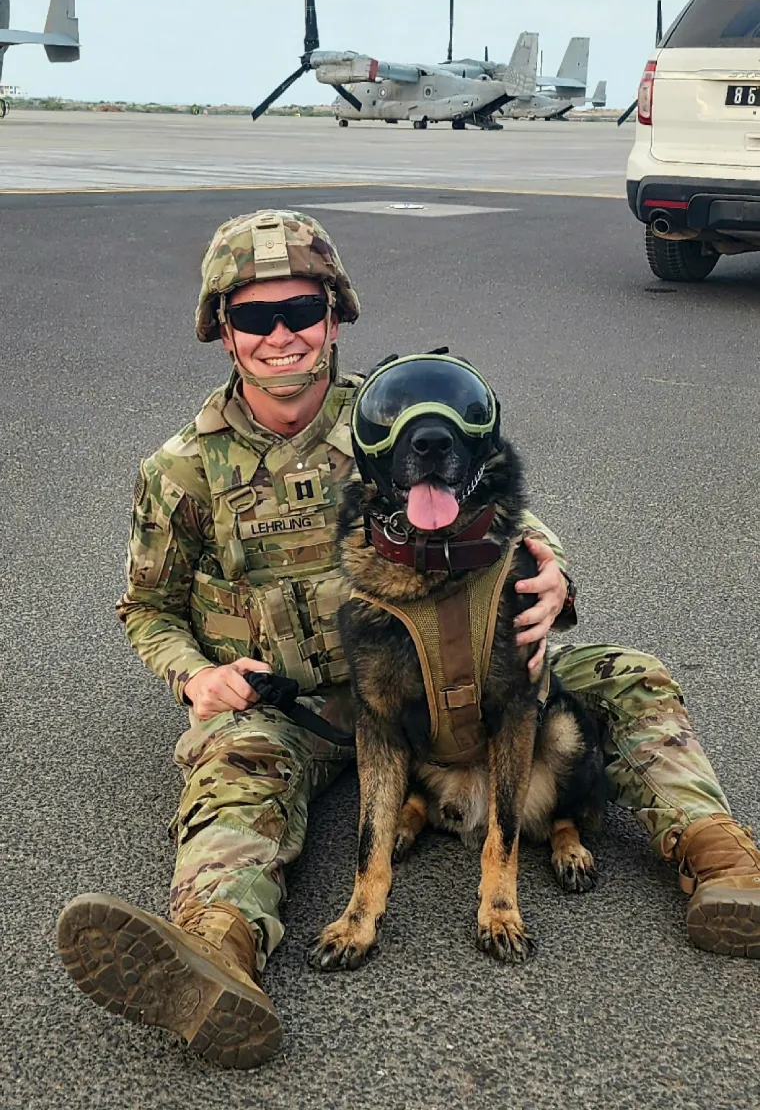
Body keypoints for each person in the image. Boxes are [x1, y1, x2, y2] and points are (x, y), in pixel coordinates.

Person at [57, 209, 760, 1070]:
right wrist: (194, 676)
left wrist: (556, 576)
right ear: (223, 332)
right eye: (253, 317)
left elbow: (514, 510)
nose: (281, 336)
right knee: (232, 761)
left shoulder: (398, 410)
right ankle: (217, 949)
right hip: (304, 711)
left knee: (630, 674)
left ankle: (719, 860)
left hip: (453, 677)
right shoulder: (181, 470)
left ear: (334, 316)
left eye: (301, 312)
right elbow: (146, 607)